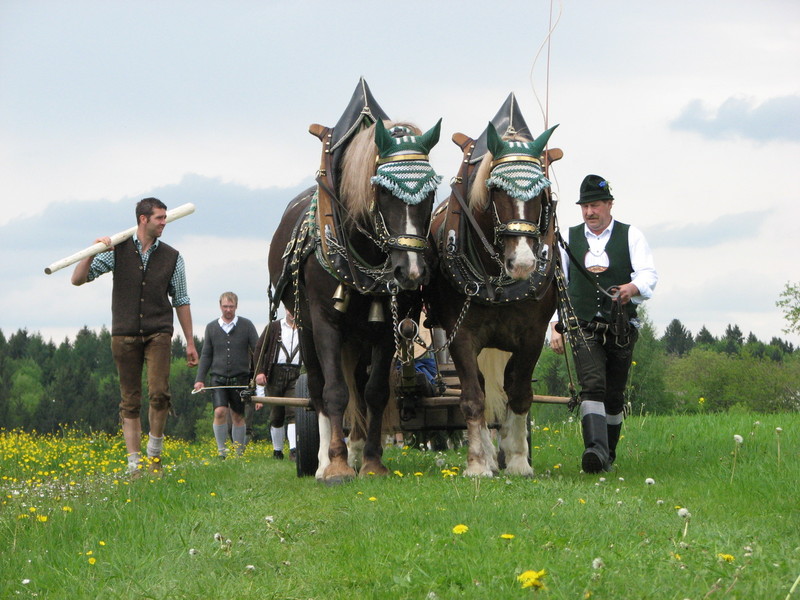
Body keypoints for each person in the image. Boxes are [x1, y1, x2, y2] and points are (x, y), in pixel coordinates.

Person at [71, 197, 198, 476]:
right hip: (124, 334)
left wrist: (190, 341)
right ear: (143, 219)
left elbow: (182, 300)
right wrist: (92, 251)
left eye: (165, 217)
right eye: (160, 218)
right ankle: (134, 466)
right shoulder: (117, 250)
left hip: (158, 332)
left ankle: (154, 455)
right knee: (129, 400)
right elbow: (78, 279)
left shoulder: (173, 257)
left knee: (160, 394)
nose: (165, 222)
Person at [549, 175, 658, 473]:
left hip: (621, 328)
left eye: (595, 205)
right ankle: (594, 451)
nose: (589, 212)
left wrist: (632, 288)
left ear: (609, 204)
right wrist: (555, 324)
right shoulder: (568, 238)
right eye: (585, 207)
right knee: (592, 385)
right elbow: (560, 284)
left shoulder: (631, 235)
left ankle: (607, 454)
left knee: (614, 395)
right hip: (582, 325)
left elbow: (648, 274)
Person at [193, 292, 259, 458]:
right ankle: (222, 452)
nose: (228, 310)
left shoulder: (247, 325)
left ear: (236, 306)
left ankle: (238, 454)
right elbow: (206, 355)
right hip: (218, 378)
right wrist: (199, 379)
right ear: (220, 306)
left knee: (238, 415)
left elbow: (257, 351)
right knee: (219, 412)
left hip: (240, 379)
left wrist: (261, 373)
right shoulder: (211, 327)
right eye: (225, 306)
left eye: (231, 306)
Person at [253, 310, 302, 460]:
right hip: (275, 374)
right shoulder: (273, 327)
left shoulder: (304, 328)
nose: (292, 312)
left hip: (296, 374)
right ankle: (277, 451)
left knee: (293, 411)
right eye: (289, 309)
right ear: (285, 309)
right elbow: (259, 350)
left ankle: (294, 450)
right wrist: (259, 372)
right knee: (276, 414)